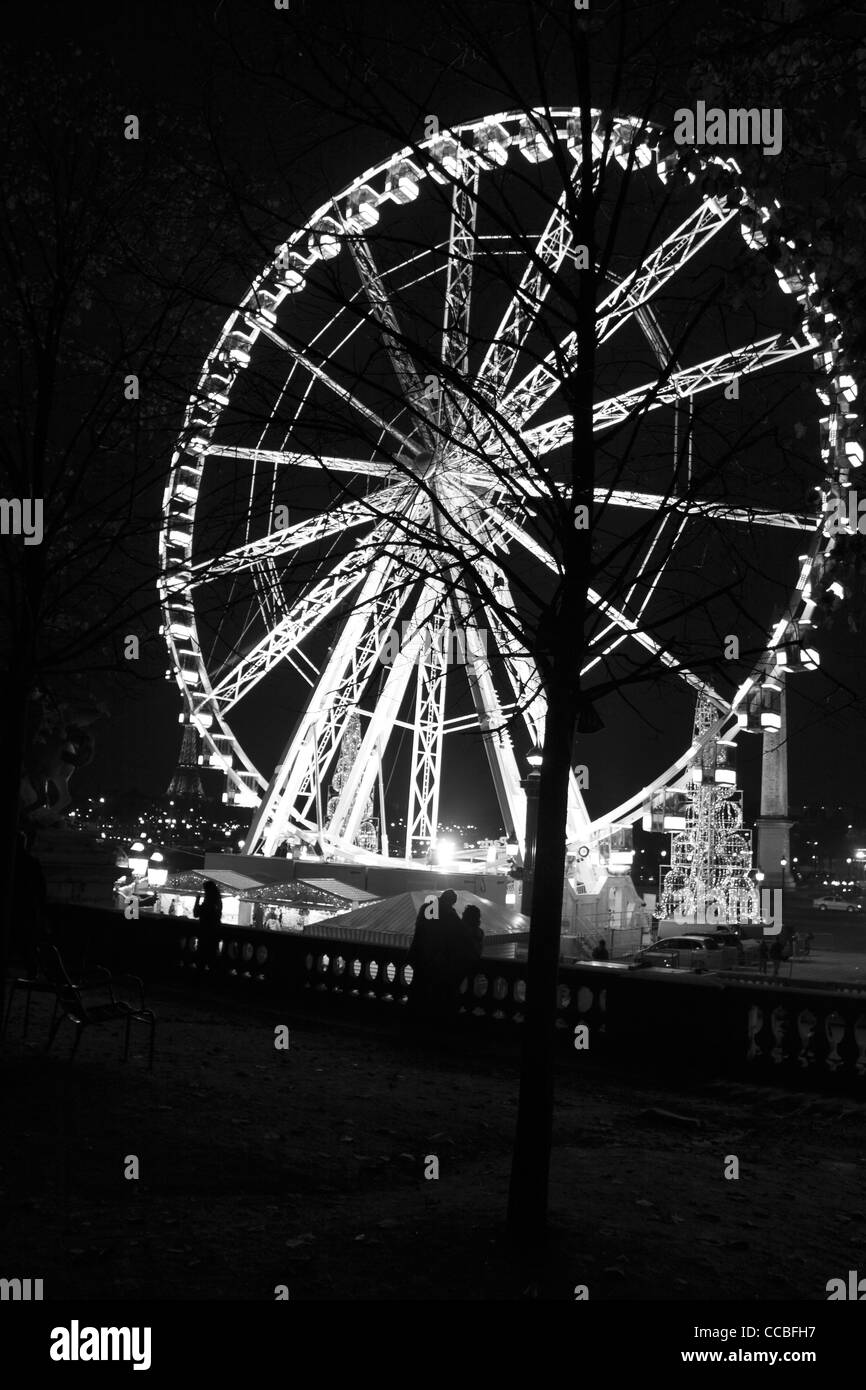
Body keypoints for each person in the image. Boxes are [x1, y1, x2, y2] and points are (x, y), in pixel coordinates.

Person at [193, 879, 222, 972]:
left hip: (205, 933)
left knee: (202, 958)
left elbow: (196, 913)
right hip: (214, 932)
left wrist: (197, 900)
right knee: (212, 957)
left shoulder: (207, 903)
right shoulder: (218, 902)